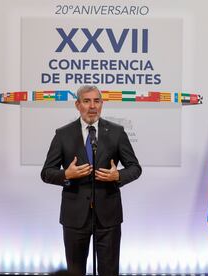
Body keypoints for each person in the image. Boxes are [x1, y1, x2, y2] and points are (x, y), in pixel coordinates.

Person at [41, 85, 142, 276]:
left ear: (102, 104)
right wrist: (66, 175)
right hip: (75, 216)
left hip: (108, 216)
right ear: (77, 105)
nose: (92, 106)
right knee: (75, 272)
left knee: (109, 272)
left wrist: (118, 176)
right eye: (87, 101)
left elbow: (135, 168)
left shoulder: (116, 132)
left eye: (97, 101)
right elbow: (47, 172)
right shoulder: (63, 134)